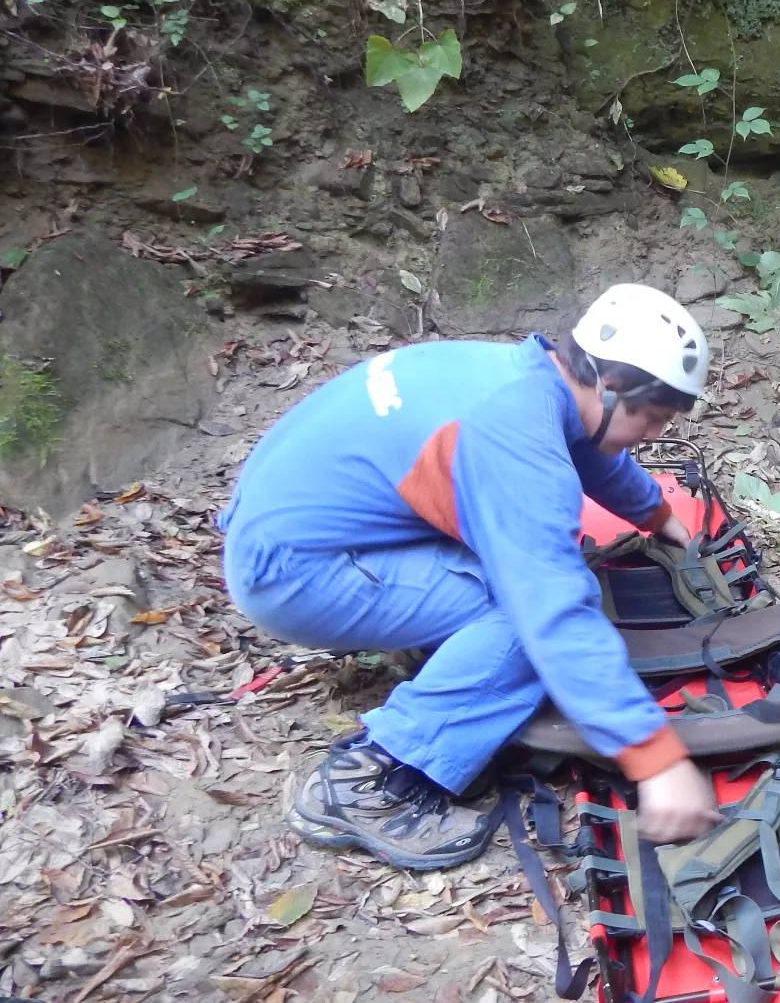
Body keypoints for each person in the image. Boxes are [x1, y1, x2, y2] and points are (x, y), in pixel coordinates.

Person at [219, 285, 724, 870]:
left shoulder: (522, 377)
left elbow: (584, 446)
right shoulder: (510, 437)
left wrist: (655, 514)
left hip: (287, 532)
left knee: (527, 580)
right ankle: (369, 778)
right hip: (294, 576)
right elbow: (551, 612)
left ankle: (433, 651)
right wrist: (656, 759)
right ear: (610, 386)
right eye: (654, 417)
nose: (655, 434)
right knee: (525, 618)